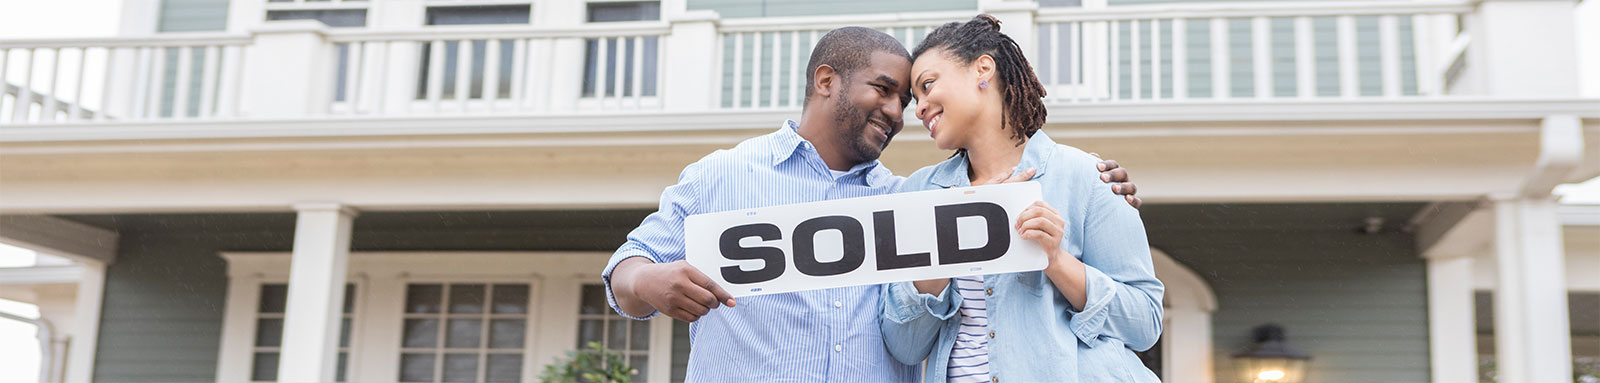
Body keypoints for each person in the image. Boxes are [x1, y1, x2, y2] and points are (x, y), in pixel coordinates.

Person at [601, 26, 1141, 382]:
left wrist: (1094, 188)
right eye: (883, 89)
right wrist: (646, 283)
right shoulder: (721, 175)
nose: (899, 110)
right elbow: (628, 267)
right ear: (825, 81)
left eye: (906, 99)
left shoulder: (903, 195)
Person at [880, 15, 1164, 383]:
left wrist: (1057, 262)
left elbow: (1145, 323)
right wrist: (950, 240)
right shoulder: (918, 194)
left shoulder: (1086, 177)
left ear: (983, 68)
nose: (919, 108)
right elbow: (904, 346)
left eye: (928, 85)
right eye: (914, 99)